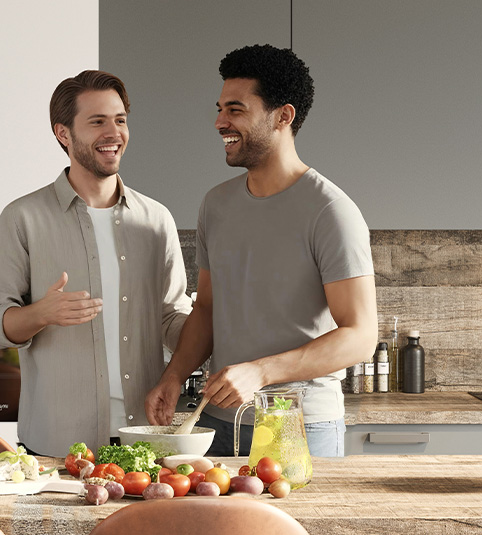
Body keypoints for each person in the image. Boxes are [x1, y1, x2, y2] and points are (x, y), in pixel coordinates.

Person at [0, 70, 192, 535]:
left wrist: (213, 340)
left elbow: (174, 315)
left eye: (120, 119)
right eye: (97, 121)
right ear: (62, 133)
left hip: (142, 450)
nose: (113, 133)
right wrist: (40, 314)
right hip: (53, 451)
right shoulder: (22, 217)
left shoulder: (157, 220)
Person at [145, 44, 377, 458]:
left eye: (235, 110)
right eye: (219, 109)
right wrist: (174, 376)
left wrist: (262, 371)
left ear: (283, 116)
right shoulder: (216, 205)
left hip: (298, 424)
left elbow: (360, 337)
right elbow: (207, 311)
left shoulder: (330, 211)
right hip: (218, 419)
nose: (219, 122)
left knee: (294, 527)